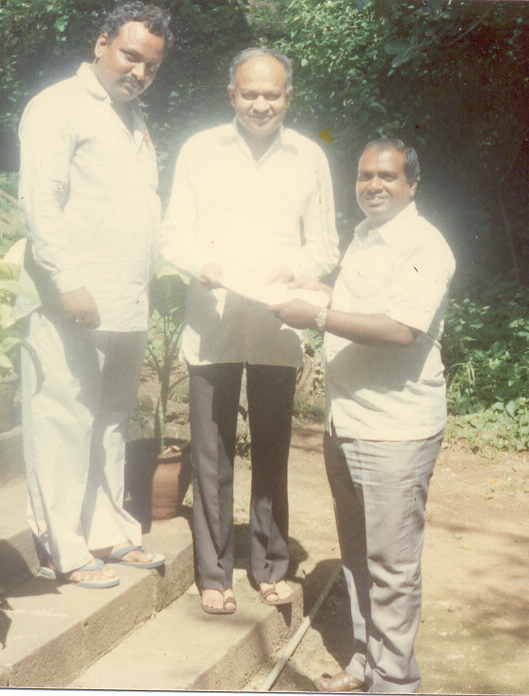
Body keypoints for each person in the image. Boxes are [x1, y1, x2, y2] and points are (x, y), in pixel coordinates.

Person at [269, 139, 455, 692]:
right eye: (364, 175)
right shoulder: (367, 235)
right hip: (346, 422)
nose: (373, 185)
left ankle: (394, 682)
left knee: (392, 567)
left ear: (412, 185)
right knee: (356, 557)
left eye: (387, 176)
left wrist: (317, 314)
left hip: (394, 431)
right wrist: (321, 291)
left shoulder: (424, 245)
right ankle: (366, 664)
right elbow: (365, 304)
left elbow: (400, 328)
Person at [160, 47, 339, 614]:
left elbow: (325, 245)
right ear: (231, 93)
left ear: (289, 96)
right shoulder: (199, 150)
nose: (261, 104)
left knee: (272, 449)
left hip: (276, 324)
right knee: (211, 453)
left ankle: (270, 565)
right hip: (212, 319)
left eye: (272, 94)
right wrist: (200, 263)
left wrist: (293, 270)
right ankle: (214, 574)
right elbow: (174, 233)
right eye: (250, 93)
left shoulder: (309, 157)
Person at [16, 2, 171, 589]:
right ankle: (61, 546)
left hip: (126, 297)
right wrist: (66, 281)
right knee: (62, 417)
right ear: (101, 42)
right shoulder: (57, 105)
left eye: (151, 65)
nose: (139, 71)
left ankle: (104, 530)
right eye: (131, 55)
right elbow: (40, 201)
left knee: (109, 419)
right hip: (72, 296)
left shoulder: (133, 116)